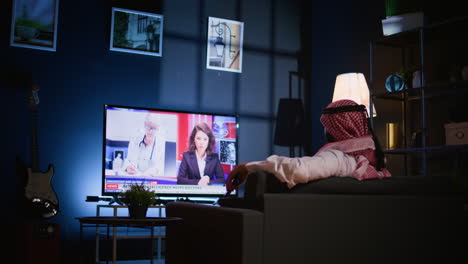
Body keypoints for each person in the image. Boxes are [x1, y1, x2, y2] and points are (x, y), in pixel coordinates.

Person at [226, 99, 391, 193]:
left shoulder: (340, 159)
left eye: (327, 126)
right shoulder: (371, 164)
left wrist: (248, 167)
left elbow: (299, 169)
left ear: (338, 128)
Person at [123, 113, 166, 177]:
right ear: (144, 125)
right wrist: (128, 167)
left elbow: (163, 165)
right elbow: (127, 160)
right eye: (149, 127)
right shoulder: (134, 141)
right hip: (135, 180)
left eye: (154, 129)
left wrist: (156, 170)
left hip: (153, 181)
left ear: (158, 129)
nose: (151, 131)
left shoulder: (162, 144)